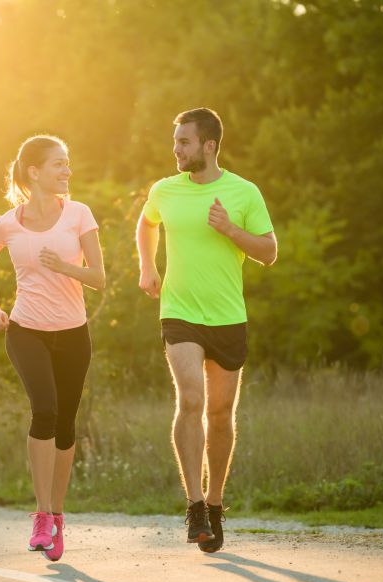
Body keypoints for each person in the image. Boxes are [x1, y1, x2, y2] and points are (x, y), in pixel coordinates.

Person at [136, 108, 276, 553]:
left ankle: (215, 504)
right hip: (179, 312)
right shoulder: (165, 190)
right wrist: (147, 266)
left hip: (228, 316)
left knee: (220, 414)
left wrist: (230, 229)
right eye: (175, 141)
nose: (175, 149)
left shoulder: (243, 192)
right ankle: (194, 505)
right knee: (191, 398)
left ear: (208, 146)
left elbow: (269, 253)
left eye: (184, 142)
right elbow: (146, 222)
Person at [0, 135, 105, 562]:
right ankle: (41, 515)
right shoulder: (7, 223)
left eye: (68, 164)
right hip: (26, 329)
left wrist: (65, 267)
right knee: (44, 409)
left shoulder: (80, 215)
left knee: (66, 423)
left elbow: (100, 278)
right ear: (34, 171)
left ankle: (58, 515)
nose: (67, 171)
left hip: (72, 333)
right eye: (58, 165)